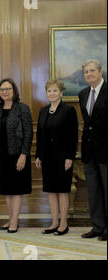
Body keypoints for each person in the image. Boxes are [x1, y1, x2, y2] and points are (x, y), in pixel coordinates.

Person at [0, 78, 33, 233]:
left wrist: (24, 154)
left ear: (14, 91)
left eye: (8, 89)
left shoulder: (22, 108)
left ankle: (14, 221)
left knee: (16, 189)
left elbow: (28, 134)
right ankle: (10, 219)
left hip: (17, 155)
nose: (5, 92)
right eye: (2, 89)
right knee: (6, 189)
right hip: (0, 156)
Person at [35, 79, 78, 236]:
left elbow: (73, 136)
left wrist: (69, 157)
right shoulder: (43, 110)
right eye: (49, 91)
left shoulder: (68, 110)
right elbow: (40, 135)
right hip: (47, 158)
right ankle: (54, 222)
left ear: (61, 92)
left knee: (62, 191)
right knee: (51, 191)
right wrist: (38, 155)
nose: (52, 93)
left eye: (55, 90)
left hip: (63, 158)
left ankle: (64, 224)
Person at [78, 59, 107, 242]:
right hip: (89, 151)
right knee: (94, 191)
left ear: (101, 71)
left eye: (92, 71)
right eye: (86, 72)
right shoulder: (83, 94)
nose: (89, 74)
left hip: (106, 150)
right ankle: (97, 227)